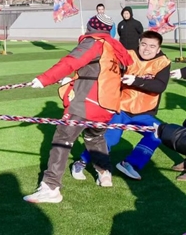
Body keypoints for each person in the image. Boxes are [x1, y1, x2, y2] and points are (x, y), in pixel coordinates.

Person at [23, 14, 133, 203]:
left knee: (62, 139)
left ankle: (50, 188)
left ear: (91, 27)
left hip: (87, 102)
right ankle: (104, 173)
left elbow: (70, 62)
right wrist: (73, 79)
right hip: (107, 105)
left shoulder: (94, 42)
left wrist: (44, 79)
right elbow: (98, 72)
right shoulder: (115, 47)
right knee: (94, 137)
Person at [72, 31, 170, 181]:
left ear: (158, 49)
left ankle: (130, 163)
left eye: (152, 46)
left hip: (145, 113)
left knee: (158, 133)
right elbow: (107, 72)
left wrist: (136, 81)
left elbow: (159, 86)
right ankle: (81, 161)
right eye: (144, 44)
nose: (146, 49)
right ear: (139, 44)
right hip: (121, 108)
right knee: (110, 139)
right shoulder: (127, 55)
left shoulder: (163, 62)